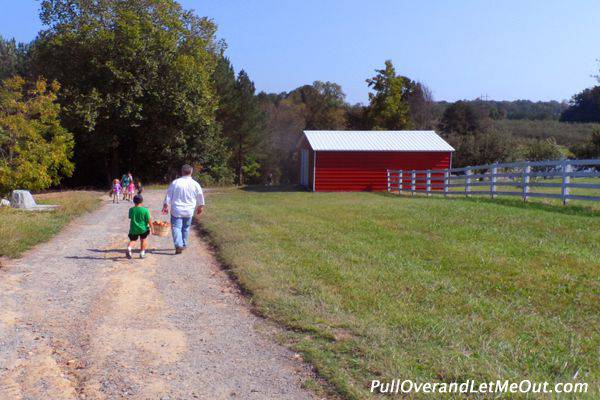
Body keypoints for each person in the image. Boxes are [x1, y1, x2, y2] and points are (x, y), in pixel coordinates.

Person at [162, 164, 205, 254]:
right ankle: (184, 244)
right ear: (191, 172)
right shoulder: (195, 184)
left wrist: (166, 205)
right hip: (189, 211)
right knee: (186, 228)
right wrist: (200, 206)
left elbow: (169, 195)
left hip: (177, 210)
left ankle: (178, 245)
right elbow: (200, 196)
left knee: (176, 227)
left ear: (182, 172)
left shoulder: (175, 183)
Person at [127, 194, 153, 259]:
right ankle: (142, 253)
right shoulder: (145, 210)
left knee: (133, 240)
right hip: (143, 229)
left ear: (133, 201)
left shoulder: (131, 209)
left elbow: (130, 217)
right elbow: (149, 220)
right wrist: (152, 228)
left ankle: (129, 248)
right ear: (142, 201)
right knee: (143, 240)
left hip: (133, 229)